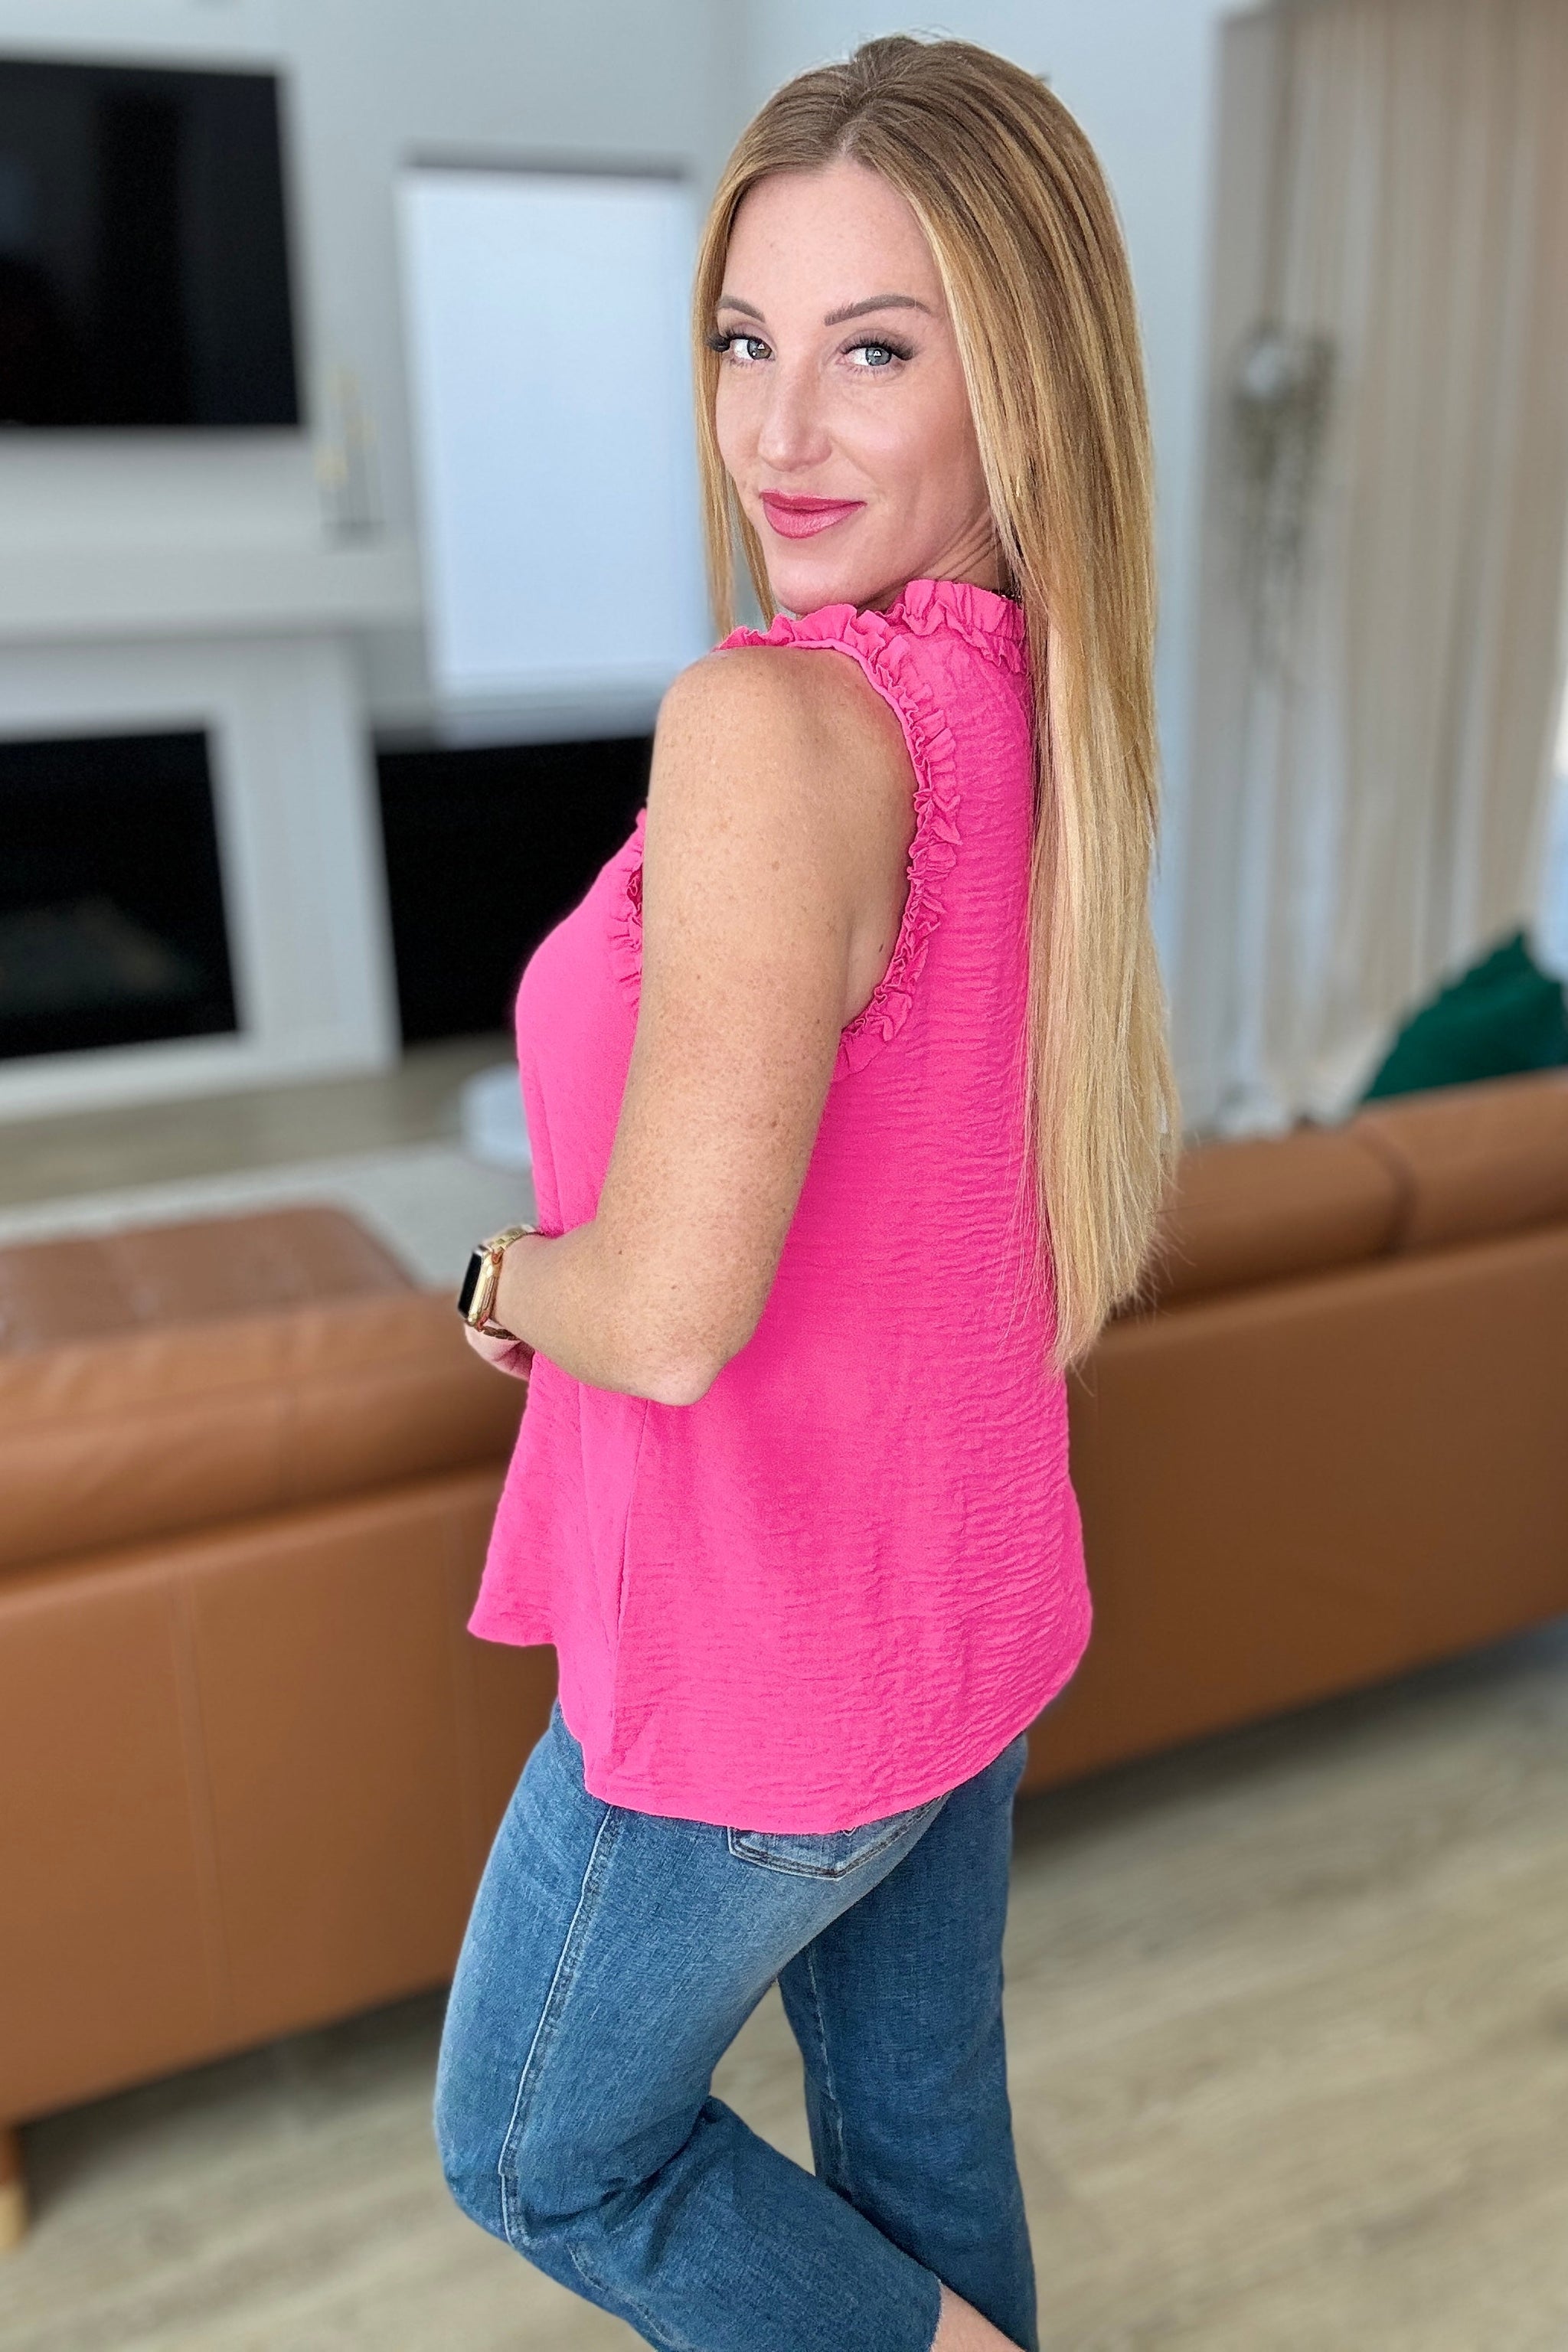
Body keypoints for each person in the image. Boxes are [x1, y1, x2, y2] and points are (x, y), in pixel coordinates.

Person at [433, 33, 1177, 2352]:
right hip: (963, 1610)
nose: (777, 432)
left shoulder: (771, 726)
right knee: (923, 2152)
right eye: (746, 342)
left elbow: (662, 1315)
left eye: (872, 351)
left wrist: (504, 1274)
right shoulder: (1034, 711)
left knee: (541, 2148)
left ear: (1020, 386)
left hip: (755, 1665)